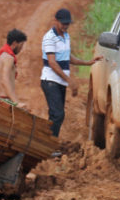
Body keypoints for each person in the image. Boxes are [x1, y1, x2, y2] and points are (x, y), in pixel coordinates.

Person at [40, 8, 102, 137]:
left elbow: (67, 57)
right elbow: (52, 62)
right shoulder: (49, 38)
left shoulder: (66, 36)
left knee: (56, 115)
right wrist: (69, 81)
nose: (65, 26)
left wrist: (87, 62)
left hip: (59, 81)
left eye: (67, 24)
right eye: (63, 23)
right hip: (50, 81)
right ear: (55, 21)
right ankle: (50, 144)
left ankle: (48, 142)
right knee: (58, 114)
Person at [0, 28, 28, 108]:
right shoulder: (9, 58)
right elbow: (4, 80)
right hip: (5, 100)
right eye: (21, 45)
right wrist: (16, 102)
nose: (21, 49)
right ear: (15, 43)